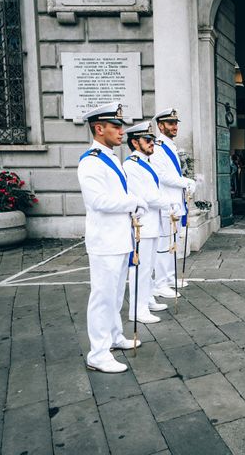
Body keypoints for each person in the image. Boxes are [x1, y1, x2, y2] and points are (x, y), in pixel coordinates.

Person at [77, 102, 147, 373]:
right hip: (105, 241)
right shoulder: (91, 161)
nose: (122, 132)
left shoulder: (111, 158)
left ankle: (115, 336)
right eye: (116, 126)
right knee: (103, 297)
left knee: (116, 295)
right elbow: (98, 201)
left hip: (119, 238)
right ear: (99, 128)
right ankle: (98, 353)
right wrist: (132, 202)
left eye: (121, 126)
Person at [123, 122, 176, 324]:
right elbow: (149, 196)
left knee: (149, 267)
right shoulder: (132, 165)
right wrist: (170, 204)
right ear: (135, 142)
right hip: (142, 226)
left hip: (152, 224)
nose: (152, 143)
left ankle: (147, 299)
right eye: (147, 140)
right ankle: (138, 309)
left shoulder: (146, 162)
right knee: (140, 269)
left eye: (153, 140)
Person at [150, 108, 201, 299]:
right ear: (160, 125)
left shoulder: (169, 145)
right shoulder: (157, 147)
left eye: (176, 123)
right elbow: (162, 176)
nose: (175, 126)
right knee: (164, 244)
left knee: (173, 242)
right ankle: (160, 283)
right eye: (170, 123)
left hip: (175, 202)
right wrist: (186, 182)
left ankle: (170, 277)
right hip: (166, 203)